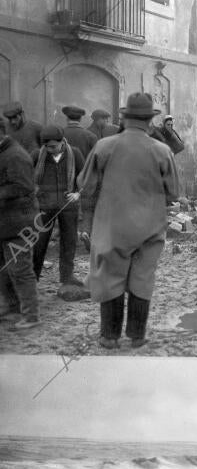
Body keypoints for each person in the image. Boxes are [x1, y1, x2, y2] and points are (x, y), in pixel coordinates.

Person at [77, 93, 179, 349]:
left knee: (110, 276)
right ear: (149, 120)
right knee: (142, 278)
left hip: (112, 225)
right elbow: (173, 192)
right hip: (150, 225)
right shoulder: (162, 150)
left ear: (124, 118)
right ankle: (137, 335)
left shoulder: (104, 146)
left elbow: (85, 186)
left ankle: (109, 336)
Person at [31, 125, 85, 290]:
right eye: (46, 147)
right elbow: (27, 177)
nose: (50, 150)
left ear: (62, 142)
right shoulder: (36, 155)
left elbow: (84, 176)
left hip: (68, 206)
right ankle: (32, 279)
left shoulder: (75, 153)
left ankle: (67, 277)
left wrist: (78, 194)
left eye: (53, 146)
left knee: (69, 242)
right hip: (44, 207)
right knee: (38, 243)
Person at [0, 118, 40, 330]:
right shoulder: (5, 152)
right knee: (3, 268)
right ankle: (11, 306)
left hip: (19, 223)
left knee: (20, 269)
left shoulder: (15, 155)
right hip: (5, 222)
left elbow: (23, 186)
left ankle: (31, 316)